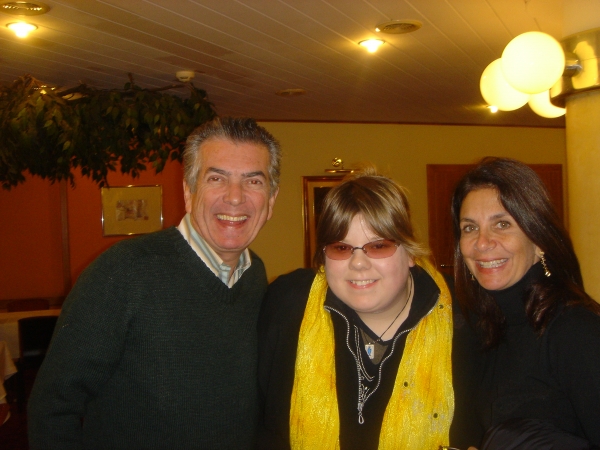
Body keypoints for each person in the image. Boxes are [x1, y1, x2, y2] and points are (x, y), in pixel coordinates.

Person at [28, 117, 281, 449]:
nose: (235, 197)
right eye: (216, 178)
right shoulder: (124, 271)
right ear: (189, 192)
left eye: (253, 181)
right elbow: (53, 407)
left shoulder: (255, 275)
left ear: (270, 201)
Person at [258, 168, 454, 450]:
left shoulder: (463, 317)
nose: (358, 263)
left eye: (378, 246)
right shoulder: (287, 305)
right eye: (341, 248)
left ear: (410, 252)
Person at [449, 157, 600, 449]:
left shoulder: (575, 331)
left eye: (502, 224)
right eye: (469, 228)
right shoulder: (481, 329)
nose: (482, 242)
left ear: (539, 239)